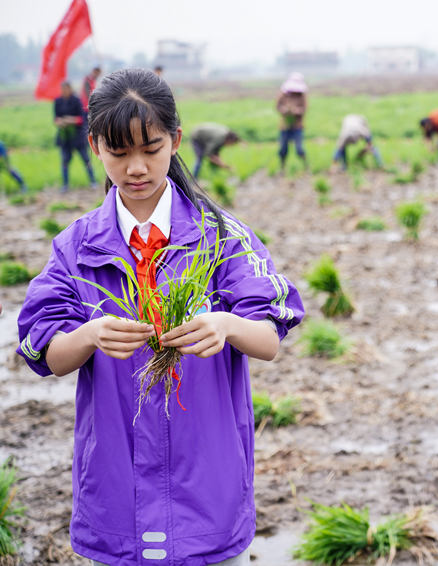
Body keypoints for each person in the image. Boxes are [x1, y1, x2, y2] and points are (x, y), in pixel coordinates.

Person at [17, 68, 304, 565]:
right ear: (94, 146)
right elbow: (48, 356)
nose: (136, 168)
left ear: (175, 140)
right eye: (118, 152)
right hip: (115, 499)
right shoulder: (75, 248)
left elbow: (269, 340)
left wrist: (226, 325)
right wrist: (89, 335)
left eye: (151, 149)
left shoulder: (222, 237)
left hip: (207, 497)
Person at [54, 81, 97, 192]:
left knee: (86, 159)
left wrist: (71, 120)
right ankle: (65, 184)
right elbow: (55, 119)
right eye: (62, 89)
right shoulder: (58, 101)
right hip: (65, 137)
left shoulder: (77, 100)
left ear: (70, 89)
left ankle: (93, 181)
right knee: (65, 161)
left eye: (66, 89)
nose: (64, 91)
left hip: (78, 136)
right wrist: (60, 122)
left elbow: (82, 119)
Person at [275, 72, 308, 172]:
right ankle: (282, 167)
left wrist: (296, 111)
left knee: (299, 149)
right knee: (283, 149)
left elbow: (304, 109)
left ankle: (306, 166)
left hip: (297, 126)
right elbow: (277, 106)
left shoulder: (302, 96)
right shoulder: (283, 94)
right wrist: (284, 110)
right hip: (285, 126)